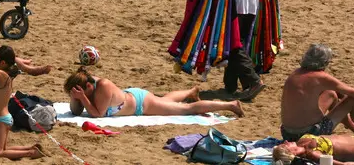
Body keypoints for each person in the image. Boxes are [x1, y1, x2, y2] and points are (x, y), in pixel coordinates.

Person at [280, 44, 354, 142]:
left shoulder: (295, 74)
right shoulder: (320, 77)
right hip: (309, 135)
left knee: (331, 94)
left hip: (287, 134)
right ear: (325, 62)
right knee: (353, 101)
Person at [64, 66, 244, 118]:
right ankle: (191, 91)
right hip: (133, 97)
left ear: (86, 87)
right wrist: (76, 98)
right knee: (165, 100)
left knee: (185, 110)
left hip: (142, 104)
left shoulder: (103, 85)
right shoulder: (86, 88)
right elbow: (76, 111)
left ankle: (230, 105)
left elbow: (98, 114)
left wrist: (82, 99)